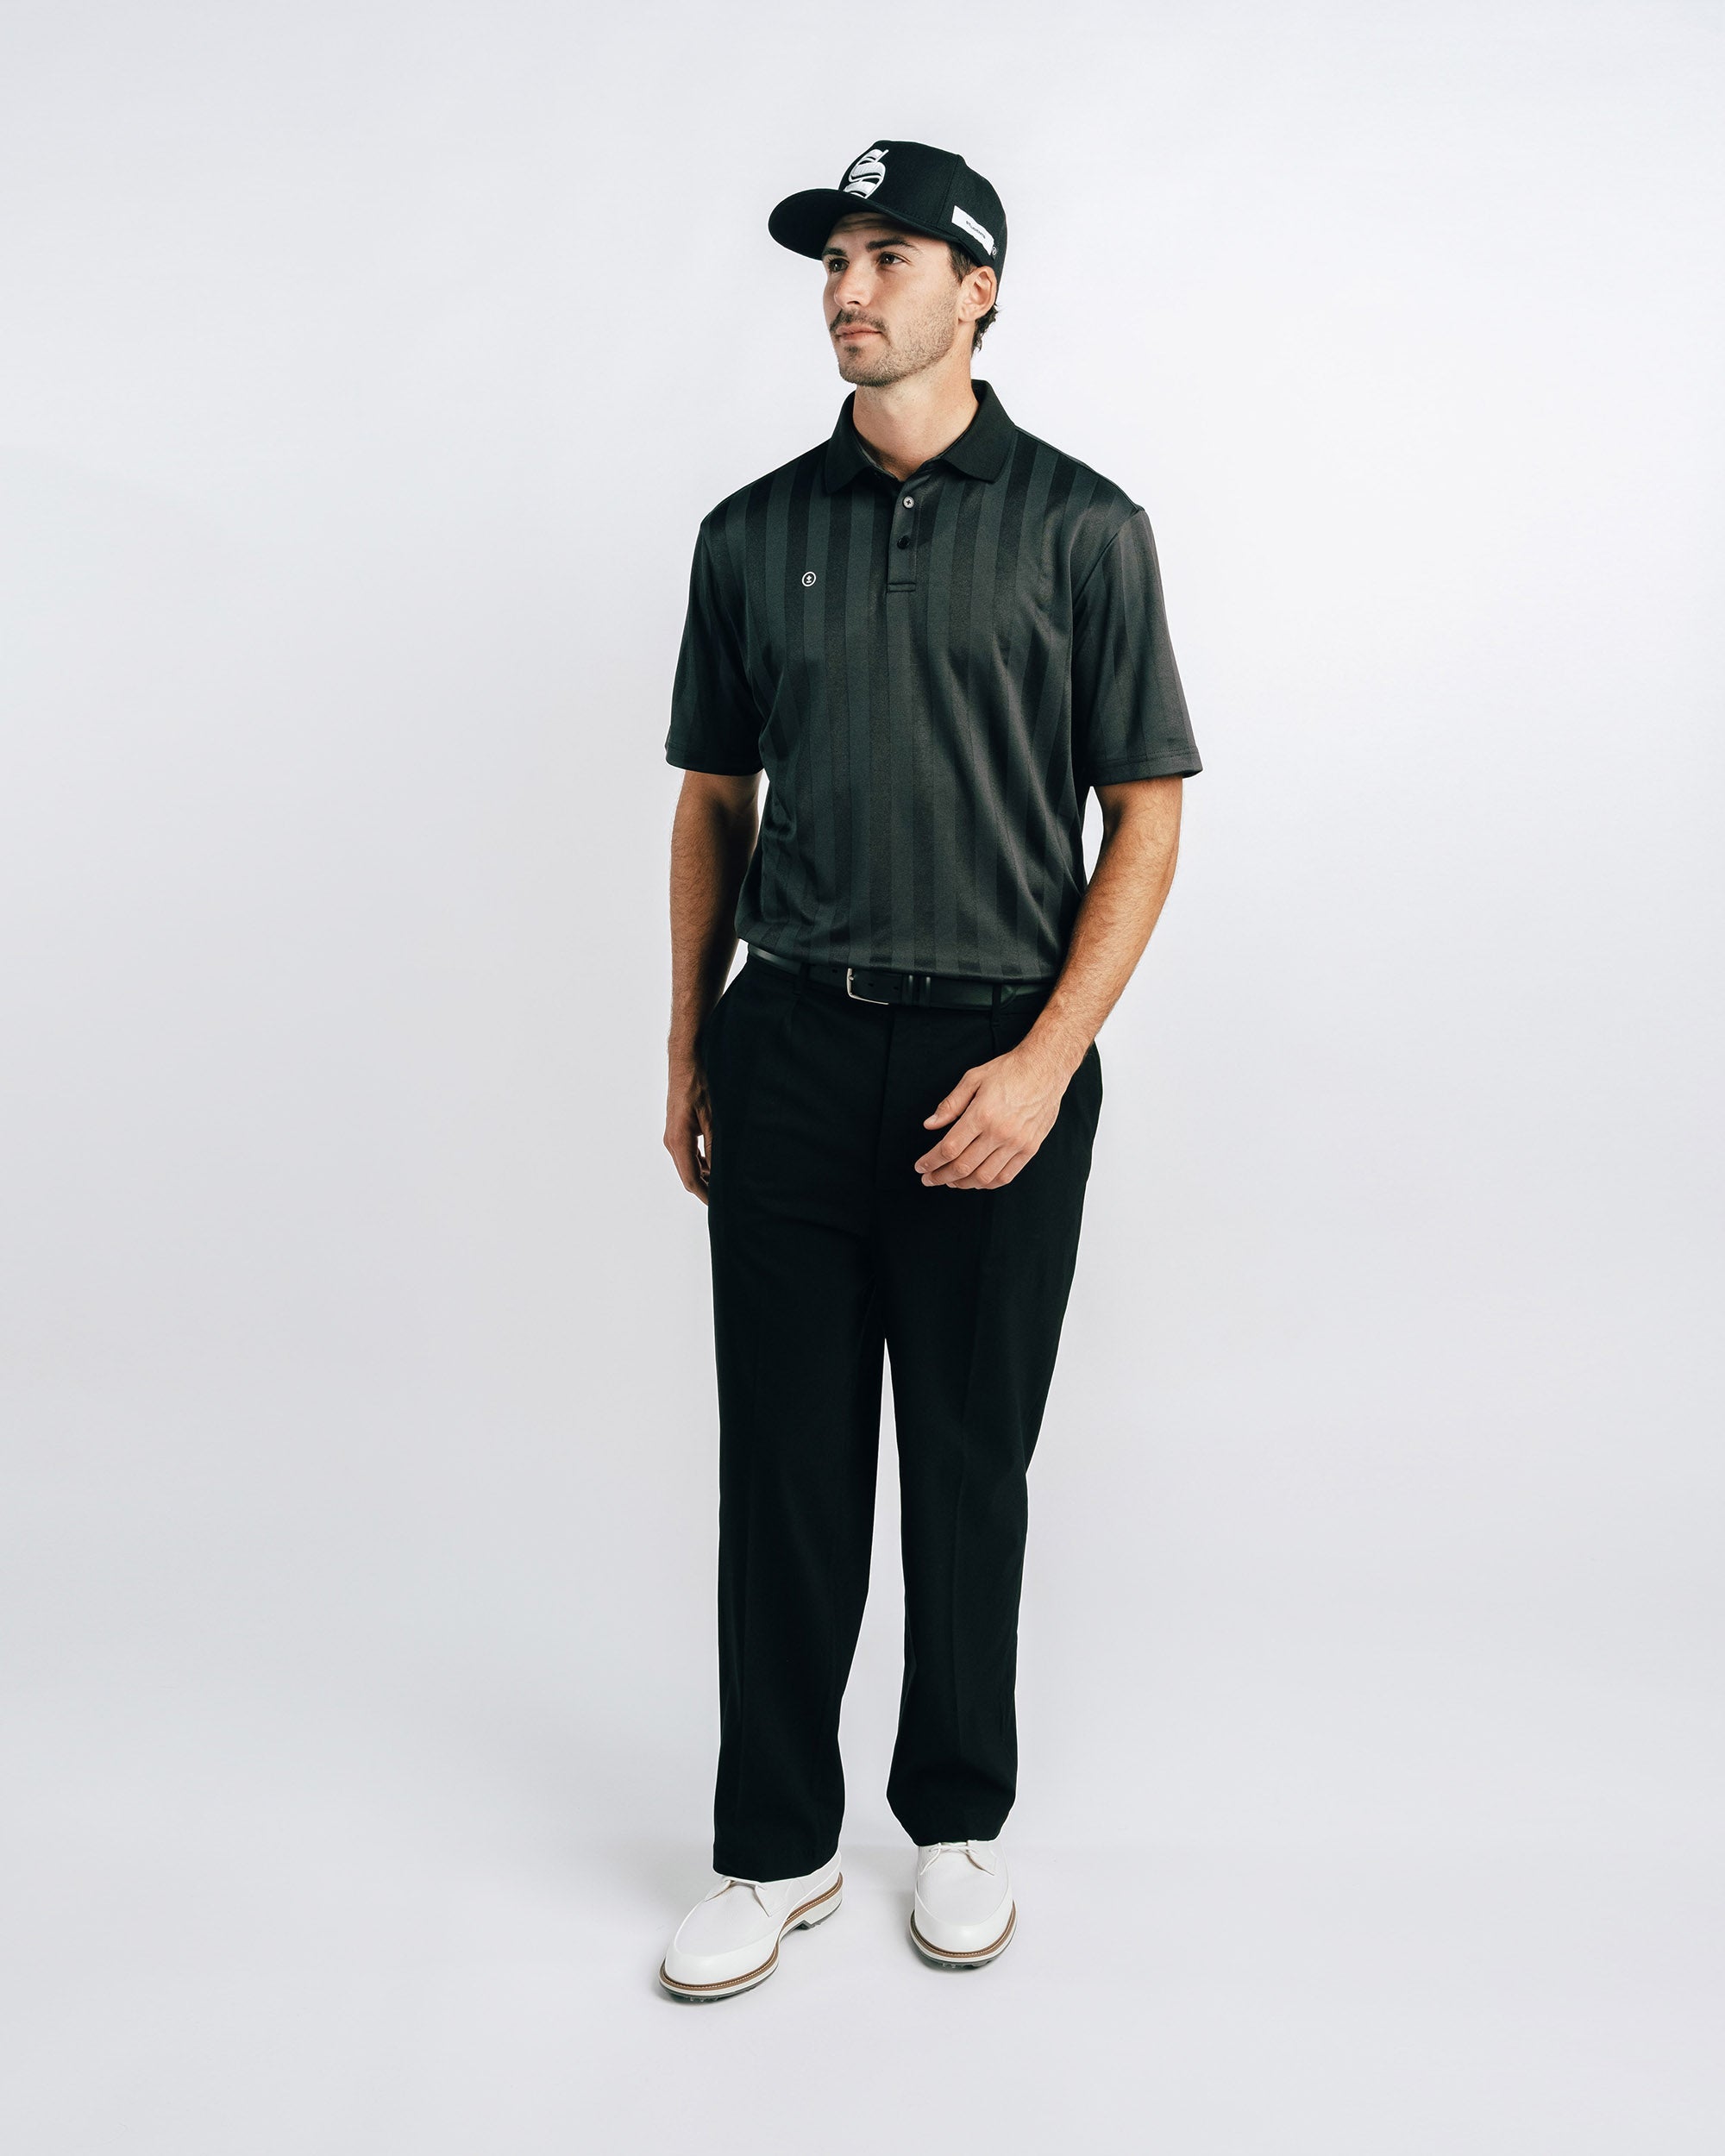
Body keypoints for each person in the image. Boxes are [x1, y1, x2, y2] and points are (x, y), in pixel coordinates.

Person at [657, 139, 1201, 2001]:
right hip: (791, 1042)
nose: (847, 288)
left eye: (889, 257)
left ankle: (955, 1815)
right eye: (834, 258)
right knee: (783, 1467)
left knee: (968, 1461)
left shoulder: (1082, 527)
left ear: (977, 290)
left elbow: (1145, 813)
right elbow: (711, 798)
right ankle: (775, 1847)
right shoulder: (749, 533)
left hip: (996, 1055)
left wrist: (1047, 1060)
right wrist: (690, 1039)